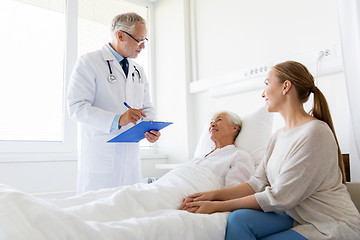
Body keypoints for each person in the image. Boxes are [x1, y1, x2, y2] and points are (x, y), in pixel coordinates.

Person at [181, 61, 360, 240]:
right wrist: (212, 196)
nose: (263, 93)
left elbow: (280, 197)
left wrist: (217, 206)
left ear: (286, 86)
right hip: (296, 216)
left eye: (267, 84)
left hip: (328, 224)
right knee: (238, 219)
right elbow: (257, 182)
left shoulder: (315, 133)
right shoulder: (277, 137)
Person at [67, 13, 160, 194]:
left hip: (130, 157)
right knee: (95, 211)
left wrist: (151, 127)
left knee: (127, 209)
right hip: (101, 155)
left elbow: (147, 107)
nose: (143, 46)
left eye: (145, 40)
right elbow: (77, 107)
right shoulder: (89, 62)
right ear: (120, 35)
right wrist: (118, 119)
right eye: (139, 40)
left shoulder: (137, 70)